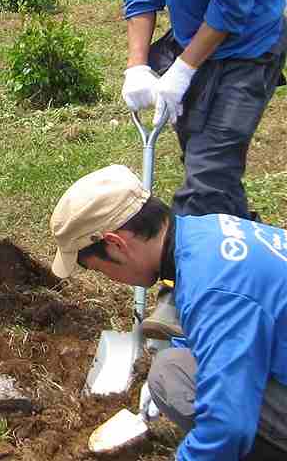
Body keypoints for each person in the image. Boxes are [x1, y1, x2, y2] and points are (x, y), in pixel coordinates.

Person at [84, 0, 287, 338]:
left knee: (209, 170)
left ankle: (183, 292)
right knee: (208, 170)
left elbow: (233, 1)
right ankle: (259, 264)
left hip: (249, 46)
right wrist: (138, 64)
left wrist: (182, 70)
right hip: (192, 40)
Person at [50, 164, 287, 461]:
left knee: (177, 380)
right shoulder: (206, 234)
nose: (111, 280)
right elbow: (215, 330)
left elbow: (226, 426)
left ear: (116, 243)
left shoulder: (215, 290)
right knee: (172, 369)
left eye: (101, 270)